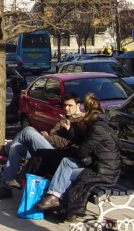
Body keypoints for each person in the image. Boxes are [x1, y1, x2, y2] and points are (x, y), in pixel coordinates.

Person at [35, 93, 121, 223]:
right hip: (99, 165)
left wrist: (80, 154)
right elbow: (81, 141)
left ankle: (65, 209)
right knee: (66, 163)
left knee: (69, 171)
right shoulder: (98, 124)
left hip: (104, 171)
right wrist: (70, 130)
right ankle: (55, 198)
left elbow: (83, 150)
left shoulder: (97, 129)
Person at [0, 93, 82, 200]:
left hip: (57, 154)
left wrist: (48, 138)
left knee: (28, 131)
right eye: (65, 105)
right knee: (15, 148)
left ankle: (4, 149)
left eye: (70, 106)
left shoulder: (80, 121)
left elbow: (68, 142)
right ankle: (5, 189)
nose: (67, 108)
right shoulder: (65, 118)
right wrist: (47, 137)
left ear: (78, 105)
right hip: (45, 149)